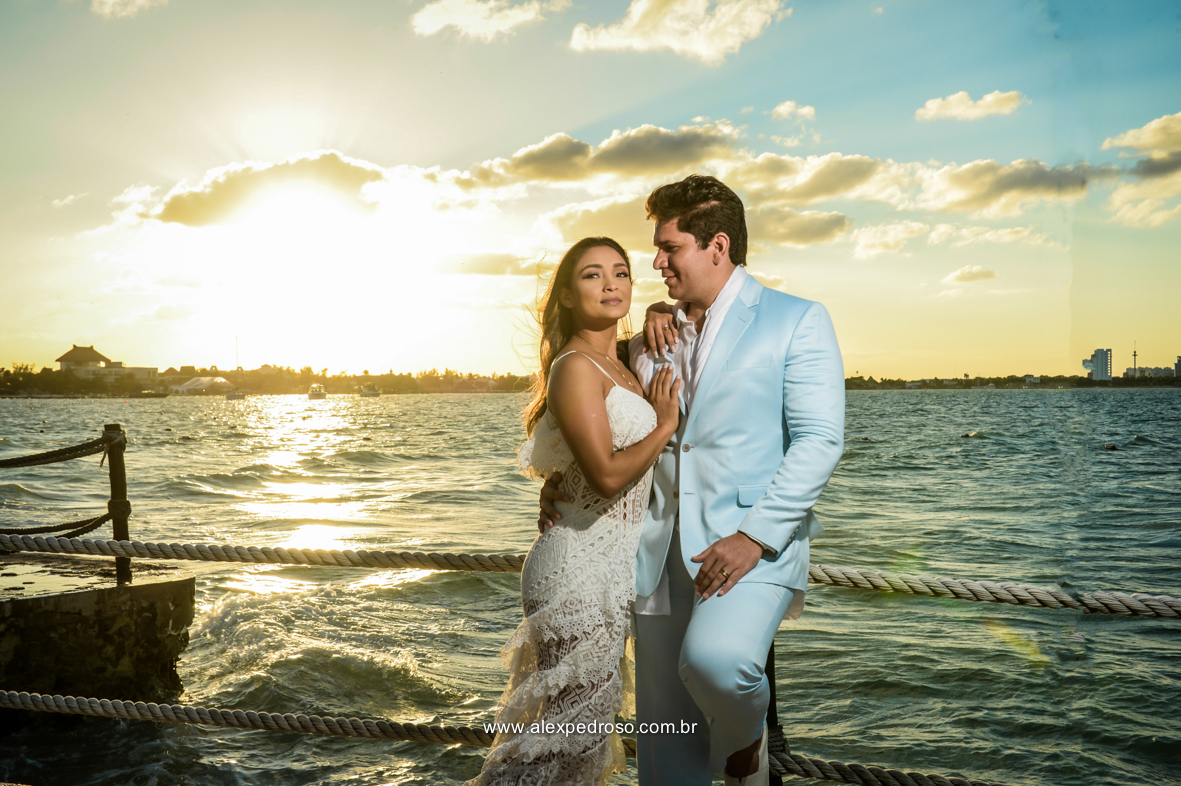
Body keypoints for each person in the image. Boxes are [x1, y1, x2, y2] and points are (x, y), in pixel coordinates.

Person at [539, 175, 845, 785]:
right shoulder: (651, 336)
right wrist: (561, 484)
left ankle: (746, 743)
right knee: (665, 748)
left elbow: (819, 442)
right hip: (652, 557)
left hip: (744, 550)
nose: (654, 263)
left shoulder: (797, 320)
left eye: (669, 248)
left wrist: (755, 537)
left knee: (718, 663)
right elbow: (589, 391)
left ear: (718, 246)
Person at [468, 236, 682, 786]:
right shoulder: (574, 367)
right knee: (559, 738)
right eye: (592, 275)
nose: (611, 284)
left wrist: (663, 310)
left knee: (581, 741)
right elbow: (609, 475)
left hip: (615, 570)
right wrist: (663, 425)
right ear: (565, 296)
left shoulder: (626, 361)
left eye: (621, 272)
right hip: (576, 569)